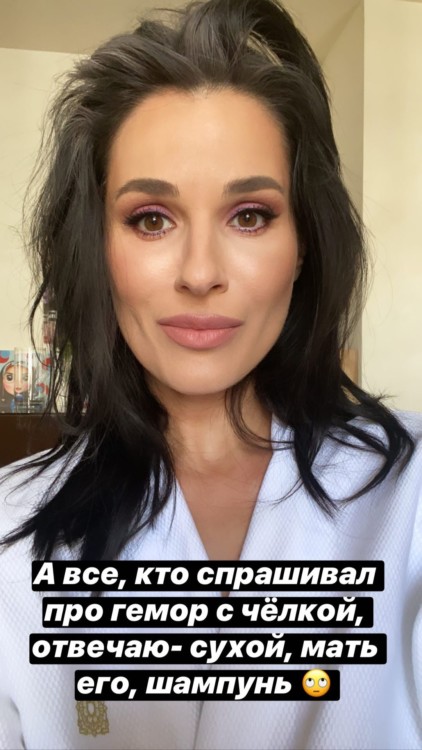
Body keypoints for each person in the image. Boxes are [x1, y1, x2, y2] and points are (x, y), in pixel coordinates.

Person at [0, 0, 421, 748]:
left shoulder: (410, 499)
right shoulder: (9, 527)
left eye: (250, 215)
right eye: (150, 219)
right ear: (97, 248)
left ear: (304, 247)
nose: (200, 274)